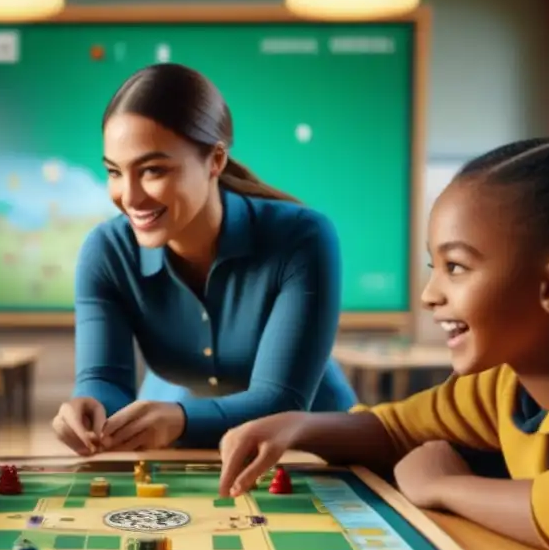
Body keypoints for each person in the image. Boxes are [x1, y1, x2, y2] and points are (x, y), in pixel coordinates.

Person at [218, 136, 549, 550]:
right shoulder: (503, 386)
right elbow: (395, 430)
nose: (430, 295)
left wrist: (446, 486)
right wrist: (297, 426)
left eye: (456, 267)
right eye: (436, 267)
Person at [52, 63, 356, 455]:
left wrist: (182, 420)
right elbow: (104, 378)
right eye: (114, 172)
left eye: (152, 170)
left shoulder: (304, 237)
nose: (129, 197)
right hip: (182, 446)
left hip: (309, 450)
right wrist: (90, 409)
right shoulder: (106, 250)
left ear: (215, 160)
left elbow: (280, 401)